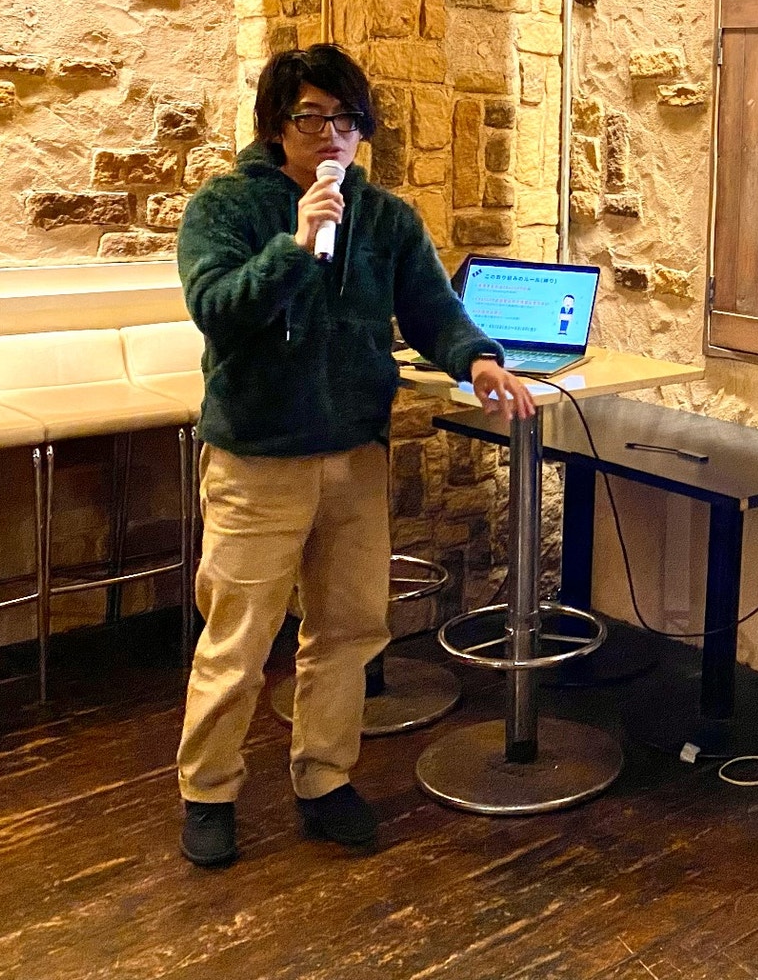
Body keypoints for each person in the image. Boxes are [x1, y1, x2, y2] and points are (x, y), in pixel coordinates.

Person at [173, 44, 535, 868]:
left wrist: (477, 358)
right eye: (311, 117)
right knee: (238, 639)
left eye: (346, 119)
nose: (331, 135)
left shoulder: (386, 218)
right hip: (259, 457)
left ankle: (324, 777)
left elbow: (432, 309)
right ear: (276, 124)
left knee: (348, 630)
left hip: (354, 454)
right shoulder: (226, 207)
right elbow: (217, 309)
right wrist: (296, 244)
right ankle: (209, 790)